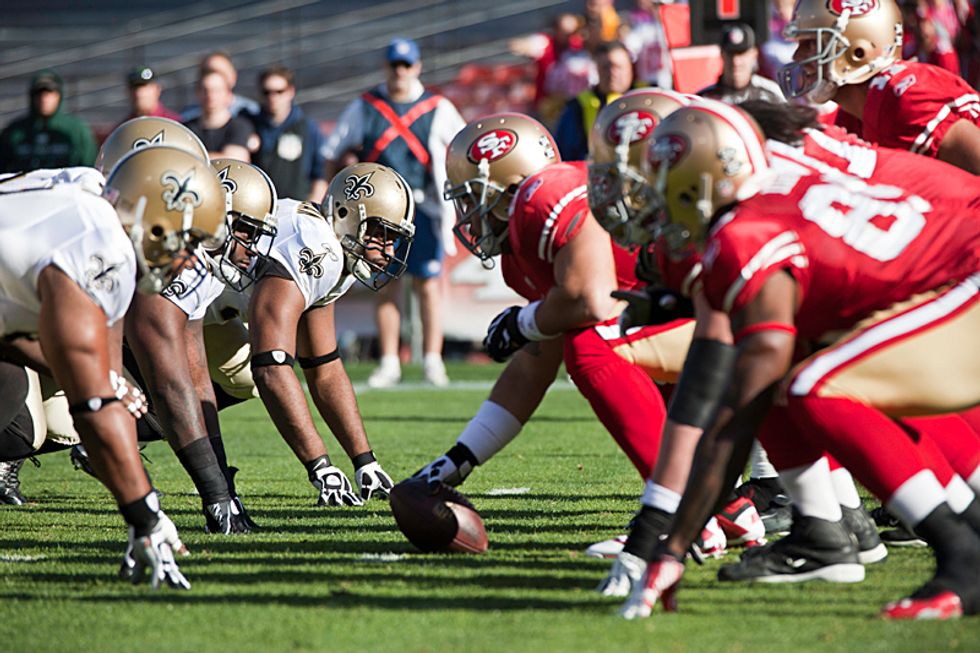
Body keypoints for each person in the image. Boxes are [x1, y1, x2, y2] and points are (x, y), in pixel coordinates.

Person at [616, 103, 980, 620]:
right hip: (951, 271)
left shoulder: (744, 235)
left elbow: (739, 411)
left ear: (703, 182)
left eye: (664, 185)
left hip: (965, 273)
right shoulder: (775, 191)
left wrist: (671, 544)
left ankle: (964, 557)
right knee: (826, 378)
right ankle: (967, 528)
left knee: (816, 387)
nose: (655, 204)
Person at [414, 109, 768, 561]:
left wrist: (522, 323)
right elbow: (535, 363)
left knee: (593, 344)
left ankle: (680, 517)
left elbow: (590, 302)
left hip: (737, 318)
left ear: (511, 189)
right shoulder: (518, 255)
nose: (467, 214)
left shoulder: (549, 197)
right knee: (609, 341)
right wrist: (459, 459)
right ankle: (725, 507)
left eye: (473, 197)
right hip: (695, 322)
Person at [0, 144, 228, 588]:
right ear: (153, 218)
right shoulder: (101, 248)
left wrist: (139, 503)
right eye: (188, 241)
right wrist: (145, 515)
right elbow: (93, 405)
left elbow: (84, 376)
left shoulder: (84, 194)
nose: (189, 260)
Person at [212, 162, 414, 505]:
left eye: (394, 239)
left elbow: (324, 366)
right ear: (345, 214)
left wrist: (365, 461)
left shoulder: (334, 253)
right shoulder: (317, 247)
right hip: (170, 301)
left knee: (240, 376)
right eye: (382, 234)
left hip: (207, 313)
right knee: (189, 385)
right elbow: (271, 367)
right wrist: (321, 468)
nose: (389, 250)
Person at [322, 37, 465, 388]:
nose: (400, 71)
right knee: (386, 284)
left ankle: (432, 360)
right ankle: (389, 360)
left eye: (406, 65)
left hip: (424, 205)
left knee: (428, 284)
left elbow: (462, 147)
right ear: (386, 67)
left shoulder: (437, 106)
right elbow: (333, 150)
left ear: (417, 67)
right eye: (394, 65)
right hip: (379, 212)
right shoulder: (367, 106)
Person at [780, 0, 980, 173]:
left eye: (810, 43)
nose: (797, 56)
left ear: (858, 50)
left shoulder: (904, 97)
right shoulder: (853, 114)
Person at [250, 66, 328, 202]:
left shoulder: (307, 127)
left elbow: (320, 176)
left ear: (291, 91)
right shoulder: (249, 124)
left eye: (279, 91)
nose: (273, 97)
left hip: (296, 207)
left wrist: (310, 207)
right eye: (267, 92)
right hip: (259, 206)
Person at [0, 69, 96, 172]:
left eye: (49, 94)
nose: (44, 99)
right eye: (39, 94)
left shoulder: (77, 131)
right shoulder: (14, 132)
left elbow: (89, 170)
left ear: (58, 96)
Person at [554, 40, 636, 162]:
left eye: (618, 67)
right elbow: (564, 155)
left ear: (630, 67)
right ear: (597, 69)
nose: (612, 73)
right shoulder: (578, 107)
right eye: (606, 67)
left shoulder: (649, 99)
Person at [698, 23, 785, 104]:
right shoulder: (704, 100)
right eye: (730, 54)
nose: (736, 62)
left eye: (741, 54)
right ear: (722, 54)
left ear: (754, 54)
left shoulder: (772, 95)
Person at [183, 69, 254, 162]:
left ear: (228, 94)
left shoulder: (240, 126)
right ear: (197, 93)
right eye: (205, 90)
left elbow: (234, 161)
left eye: (216, 90)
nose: (210, 95)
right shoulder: (186, 129)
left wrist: (190, 157)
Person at [181, 51, 260, 122]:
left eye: (221, 73)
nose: (214, 78)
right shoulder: (188, 116)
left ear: (234, 76)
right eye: (208, 72)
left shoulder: (251, 112)